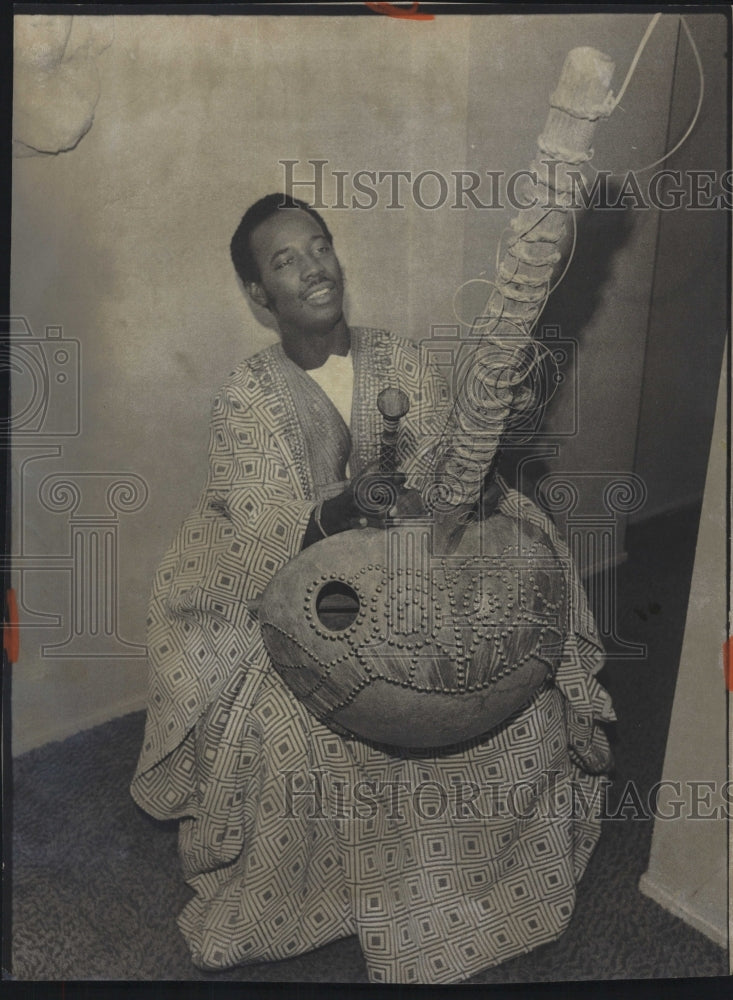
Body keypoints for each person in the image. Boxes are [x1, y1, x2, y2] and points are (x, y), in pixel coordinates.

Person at [131, 193, 614, 984]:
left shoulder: (400, 358)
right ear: (259, 296)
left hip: (421, 574)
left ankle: (473, 888)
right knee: (292, 734)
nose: (311, 265)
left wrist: (458, 479)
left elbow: (445, 478)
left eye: (318, 246)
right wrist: (346, 509)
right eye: (284, 261)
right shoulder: (247, 397)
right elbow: (260, 532)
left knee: (515, 686)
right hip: (297, 598)